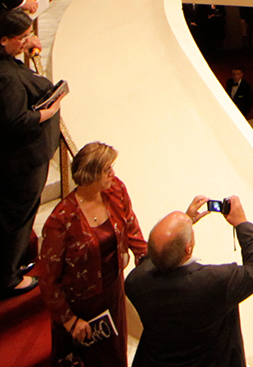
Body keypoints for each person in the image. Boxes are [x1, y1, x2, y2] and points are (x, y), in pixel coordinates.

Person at [0, 9, 65, 298]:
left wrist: (27, 44)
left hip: (7, 159)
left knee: (9, 220)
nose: (28, 40)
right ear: (4, 40)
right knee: (16, 220)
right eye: (23, 37)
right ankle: (7, 278)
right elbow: (13, 120)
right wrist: (47, 112)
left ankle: (3, 268)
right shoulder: (5, 78)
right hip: (19, 162)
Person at [125, 194, 253, 366]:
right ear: (188, 249)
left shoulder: (135, 283)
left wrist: (186, 222)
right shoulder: (215, 282)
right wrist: (242, 223)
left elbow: (156, 257)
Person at [38, 142, 147, 366]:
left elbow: (130, 226)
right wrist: (70, 321)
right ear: (91, 175)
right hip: (80, 303)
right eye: (107, 170)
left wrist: (146, 260)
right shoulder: (61, 221)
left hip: (112, 292)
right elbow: (48, 278)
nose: (113, 174)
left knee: (114, 356)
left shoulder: (115, 189)